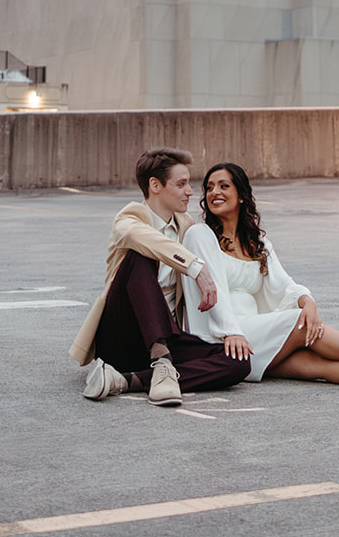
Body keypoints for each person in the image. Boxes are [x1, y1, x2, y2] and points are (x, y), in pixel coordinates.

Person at [180, 162, 339, 388]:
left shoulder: (258, 244)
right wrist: (231, 331)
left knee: (316, 366)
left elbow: (283, 285)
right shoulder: (200, 235)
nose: (214, 192)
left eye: (223, 186)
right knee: (301, 325)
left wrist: (308, 302)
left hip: (254, 334)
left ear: (241, 196)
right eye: (210, 187)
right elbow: (213, 291)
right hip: (221, 336)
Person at [71, 146, 252, 407]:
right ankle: (162, 361)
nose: (190, 191)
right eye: (181, 184)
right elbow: (146, 240)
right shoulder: (128, 220)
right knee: (140, 255)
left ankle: (127, 380)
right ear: (155, 185)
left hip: (168, 336)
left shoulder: (186, 226)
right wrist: (196, 267)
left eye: (188, 184)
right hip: (121, 336)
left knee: (238, 362)